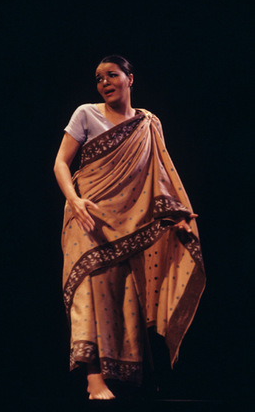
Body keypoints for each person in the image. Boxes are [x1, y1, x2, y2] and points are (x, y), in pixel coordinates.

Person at [54, 55, 205, 400]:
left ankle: (122, 377)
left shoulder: (148, 123)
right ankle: (94, 381)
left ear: (130, 79)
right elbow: (61, 163)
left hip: (129, 222)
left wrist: (176, 214)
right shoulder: (85, 113)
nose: (104, 82)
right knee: (87, 294)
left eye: (112, 75)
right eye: (98, 78)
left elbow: (160, 175)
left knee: (122, 299)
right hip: (87, 217)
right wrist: (75, 201)